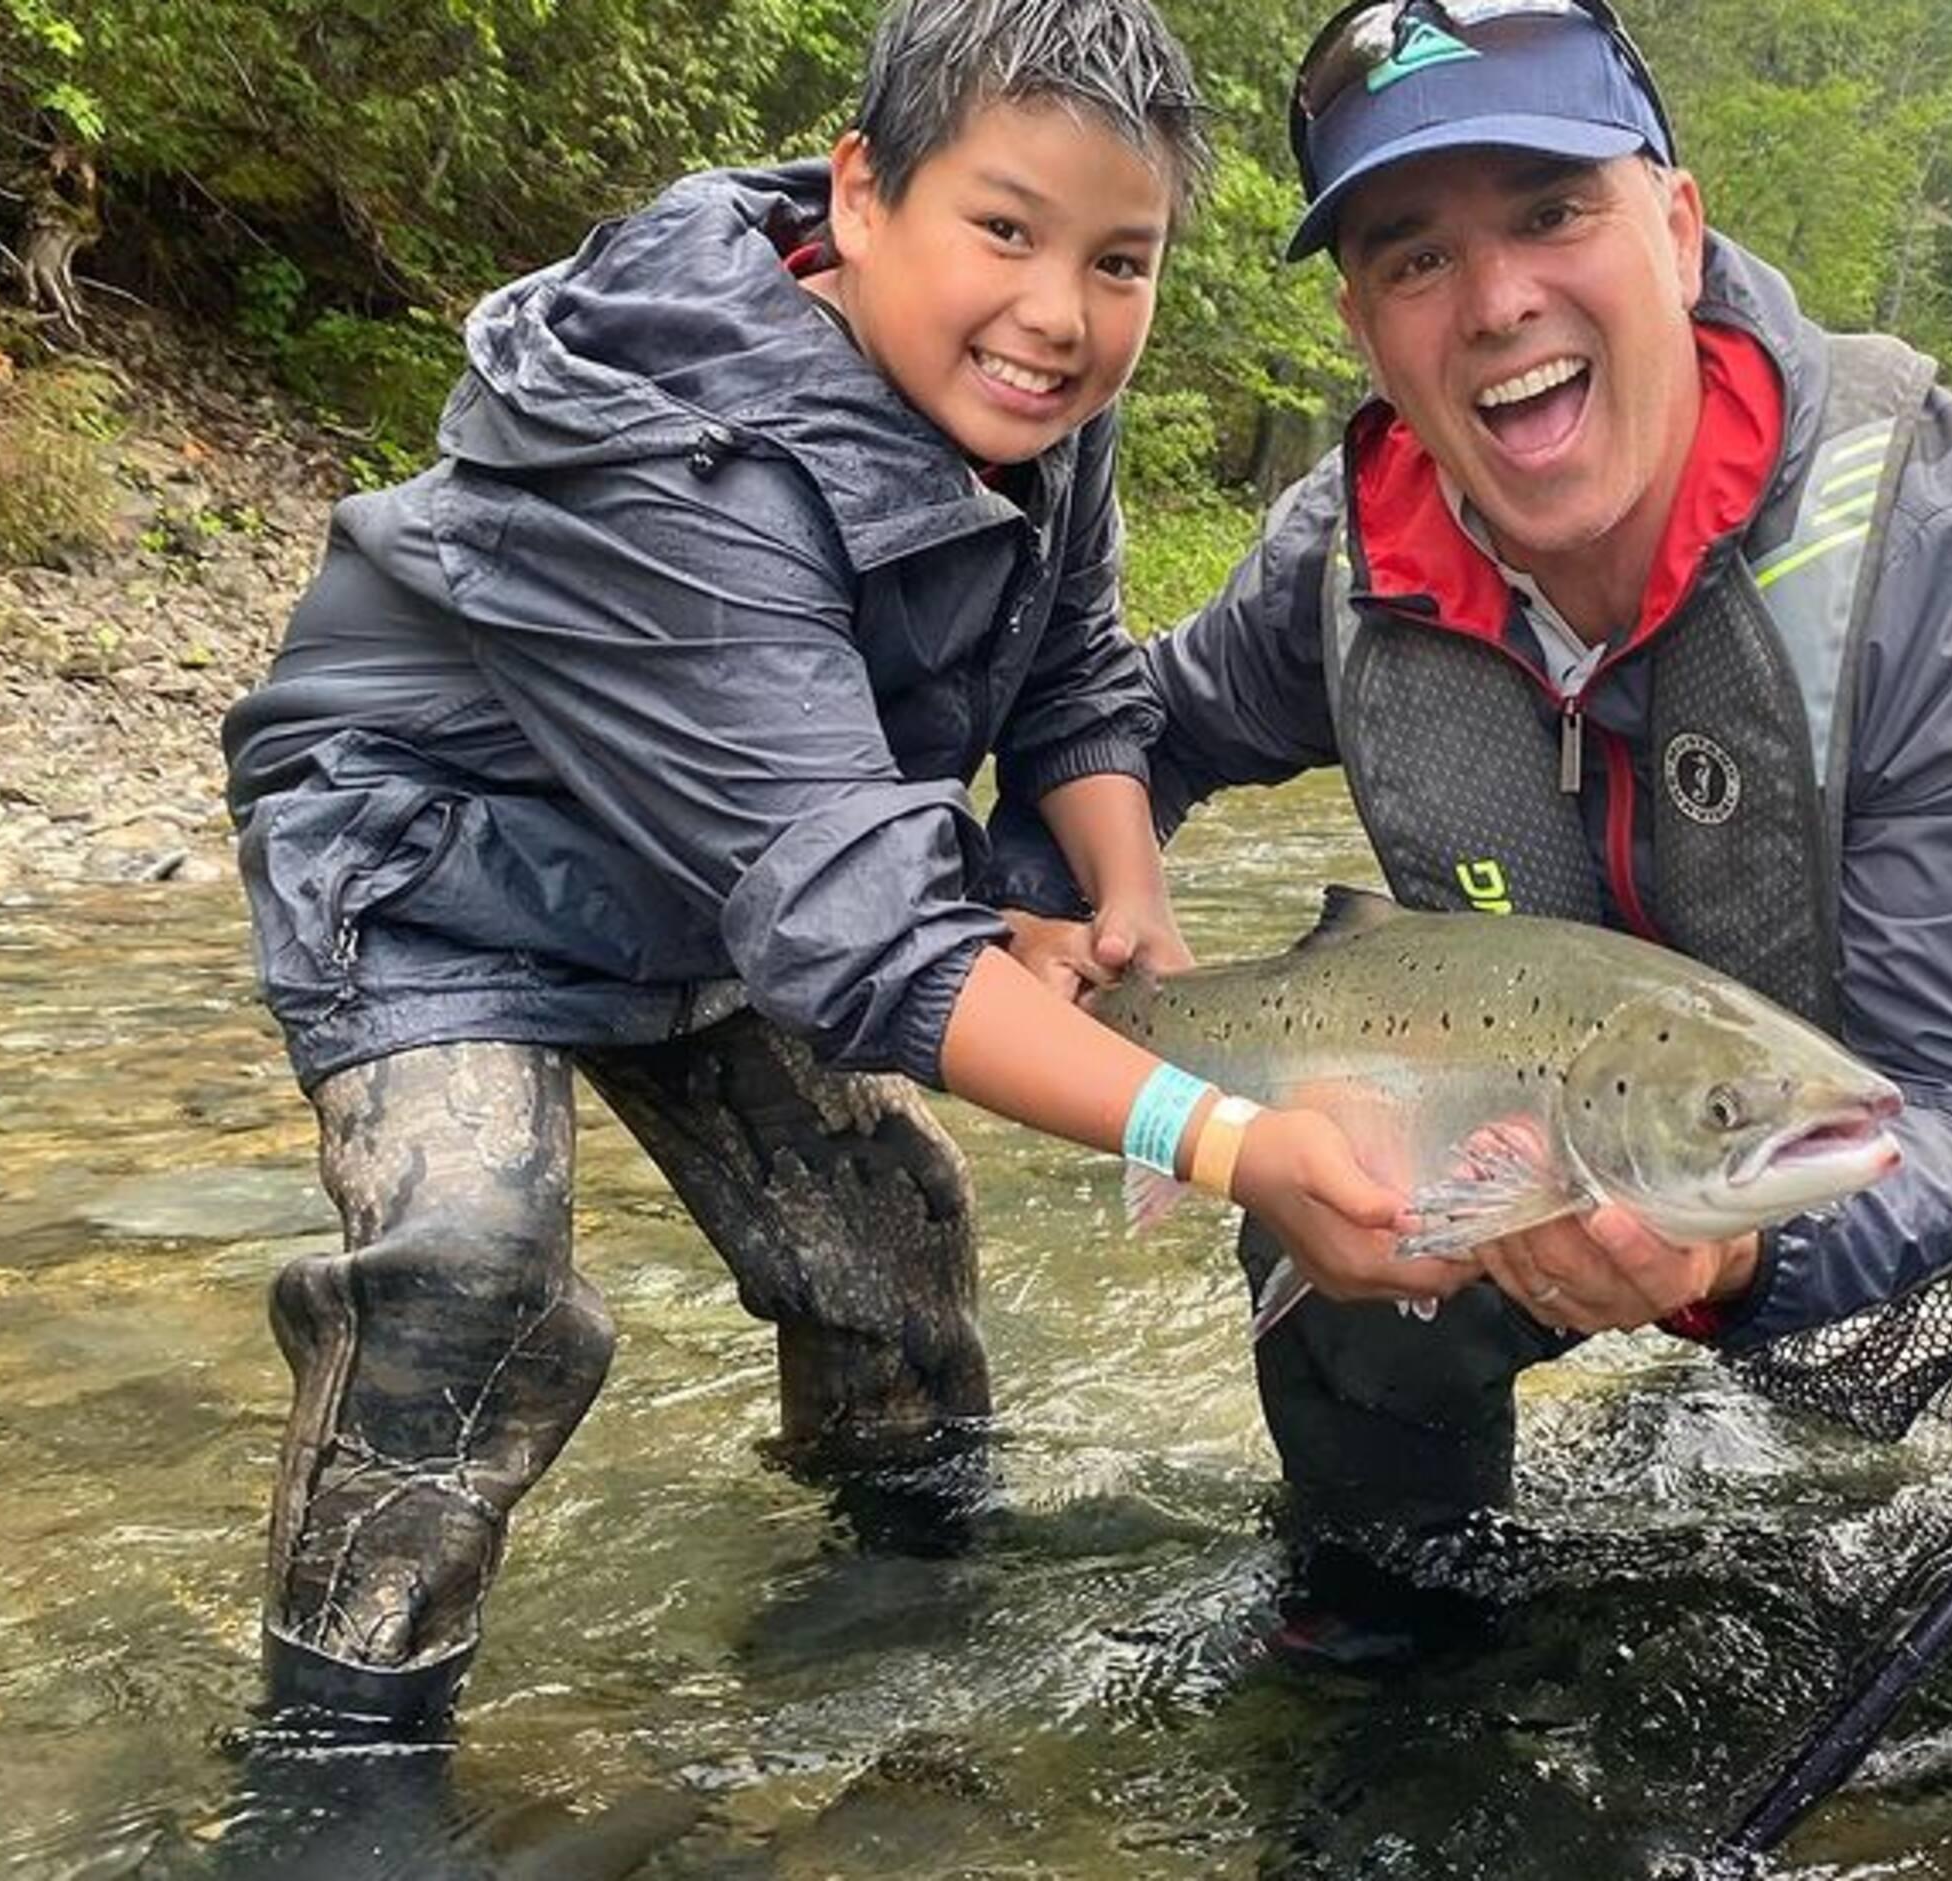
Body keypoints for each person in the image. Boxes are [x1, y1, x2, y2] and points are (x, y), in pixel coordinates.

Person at [1000, 0, 1952, 1680]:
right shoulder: (1346, 562)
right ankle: (1397, 1682)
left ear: (1678, 224)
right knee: (1323, 1236)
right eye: (1416, 256)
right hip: (1600, 1088)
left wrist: (1724, 1248)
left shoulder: (1946, 542)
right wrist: (1060, 897)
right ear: (1364, 323)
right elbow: (1131, 731)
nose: (1498, 301)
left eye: (1554, 210)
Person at [220, 0, 1473, 1733]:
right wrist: (1231, 1138)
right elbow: (866, 932)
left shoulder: (1033, 396)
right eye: (1006, 230)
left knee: (894, 1234)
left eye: (1123, 261)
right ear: (866, 191)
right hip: (434, 853)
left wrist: (1129, 904)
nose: (1058, 313)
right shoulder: (678, 454)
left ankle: (888, 1606)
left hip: (724, 871)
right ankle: (337, 1745)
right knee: (473, 1271)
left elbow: (1071, 675)